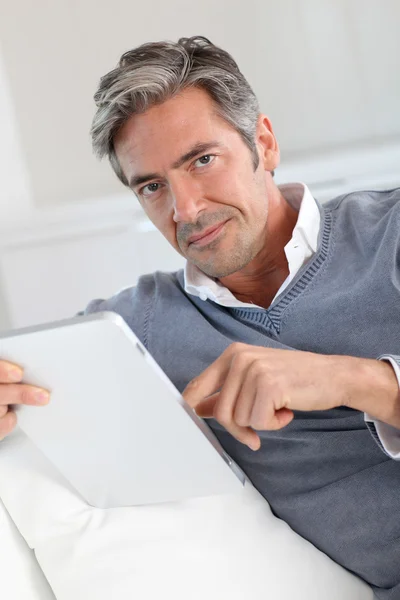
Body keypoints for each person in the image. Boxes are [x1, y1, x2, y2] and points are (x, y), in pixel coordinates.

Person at [1, 36, 400, 598]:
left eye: (203, 161)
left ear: (263, 141)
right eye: (153, 186)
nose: (184, 209)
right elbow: (26, 375)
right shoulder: (138, 328)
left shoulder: (391, 234)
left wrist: (355, 380)